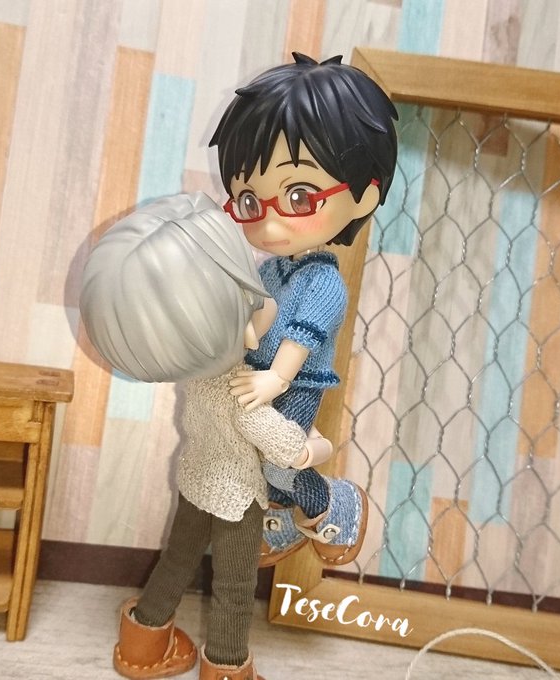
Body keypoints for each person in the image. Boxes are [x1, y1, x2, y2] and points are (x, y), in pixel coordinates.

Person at [80, 192, 332, 680]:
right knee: (234, 588)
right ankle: (229, 666)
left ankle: (143, 644)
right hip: (238, 500)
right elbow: (290, 451)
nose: (267, 301)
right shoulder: (244, 391)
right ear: (246, 331)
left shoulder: (196, 376)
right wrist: (321, 445)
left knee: (177, 559)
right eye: (256, 300)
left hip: (196, 482)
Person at [210, 53, 398, 565]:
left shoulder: (322, 281)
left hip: (296, 384)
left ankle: (329, 503)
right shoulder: (271, 270)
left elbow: (302, 335)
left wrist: (276, 378)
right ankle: (283, 515)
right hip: (258, 377)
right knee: (254, 455)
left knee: (279, 458)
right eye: (250, 201)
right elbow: (260, 318)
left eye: (298, 196)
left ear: (362, 197)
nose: (268, 223)